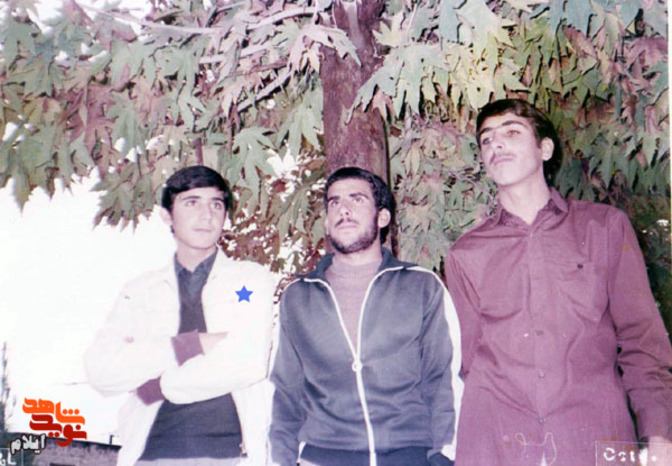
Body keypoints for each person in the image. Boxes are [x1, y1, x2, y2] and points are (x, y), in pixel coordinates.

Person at [444, 99, 672, 465]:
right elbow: (469, 361)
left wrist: (658, 435)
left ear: (545, 149)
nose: (496, 144)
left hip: (595, 437)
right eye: (487, 139)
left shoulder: (604, 227)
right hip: (498, 444)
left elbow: (641, 340)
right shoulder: (465, 253)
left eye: (511, 133)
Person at [270, 166, 463, 466]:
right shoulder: (298, 297)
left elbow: (444, 379)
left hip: (409, 454)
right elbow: (284, 393)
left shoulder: (421, 286)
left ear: (382, 217)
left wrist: (443, 457)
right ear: (327, 223)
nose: (343, 209)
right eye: (334, 202)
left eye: (356, 199)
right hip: (323, 455)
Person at [85, 166, 276, 466]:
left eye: (216, 204)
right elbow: (101, 372)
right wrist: (189, 345)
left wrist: (159, 386)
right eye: (192, 202)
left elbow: (248, 362)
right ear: (167, 215)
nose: (207, 215)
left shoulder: (251, 280)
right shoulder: (140, 291)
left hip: (230, 455)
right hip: (149, 454)